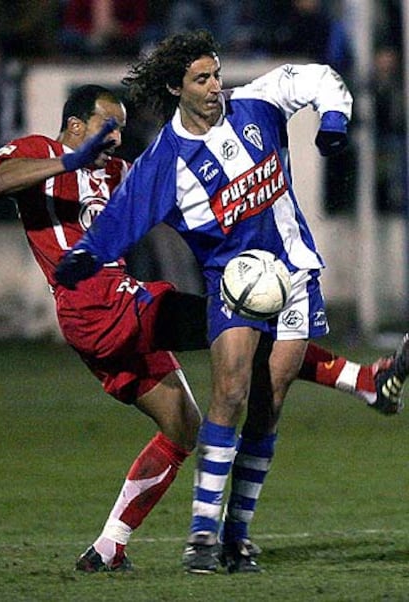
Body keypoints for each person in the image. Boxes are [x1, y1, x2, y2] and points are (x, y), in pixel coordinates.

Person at [54, 30, 409, 574]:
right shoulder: (165, 162)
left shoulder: (255, 104)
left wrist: (333, 120)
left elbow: (319, 78)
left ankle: (237, 537)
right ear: (177, 86)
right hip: (232, 284)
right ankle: (201, 534)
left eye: (217, 74)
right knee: (230, 390)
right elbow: (125, 213)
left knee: (270, 402)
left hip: (292, 272)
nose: (216, 86)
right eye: (202, 79)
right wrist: (87, 254)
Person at [0, 84, 203, 573]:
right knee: (231, 321)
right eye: (108, 128)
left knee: (183, 424)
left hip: (118, 309)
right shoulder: (37, 152)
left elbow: (171, 203)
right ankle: (357, 380)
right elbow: (0, 179)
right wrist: (69, 161)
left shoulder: (117, 173)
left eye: (122, 130)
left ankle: (109, 548)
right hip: (91, 303)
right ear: (75, 127)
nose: (116, 139)